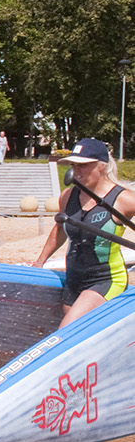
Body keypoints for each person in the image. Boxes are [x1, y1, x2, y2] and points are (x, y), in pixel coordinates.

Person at [33, 138, 135, 327]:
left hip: (106, 279)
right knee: (76, 335)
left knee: (67, 329)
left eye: (83, 165)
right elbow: (59, 231)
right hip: (74, 279)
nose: (76, 170)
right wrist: (39, 262)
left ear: (101, 167)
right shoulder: (67, 196)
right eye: (73, 165)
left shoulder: (122, 199)